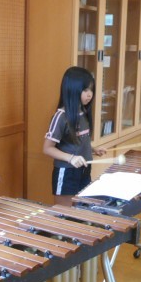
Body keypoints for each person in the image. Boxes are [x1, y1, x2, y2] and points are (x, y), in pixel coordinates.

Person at [43, 66, 106, 206]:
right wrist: (71, 158)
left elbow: (76, 141)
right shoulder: (61, 116)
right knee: (64, 213)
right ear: (72, 89)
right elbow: (47, 148)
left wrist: (93, 149)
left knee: (80, 211)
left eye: (91, 90)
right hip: (67, 171)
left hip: (84, 169)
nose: (90, 94)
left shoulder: (83, 112)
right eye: (85, 90)